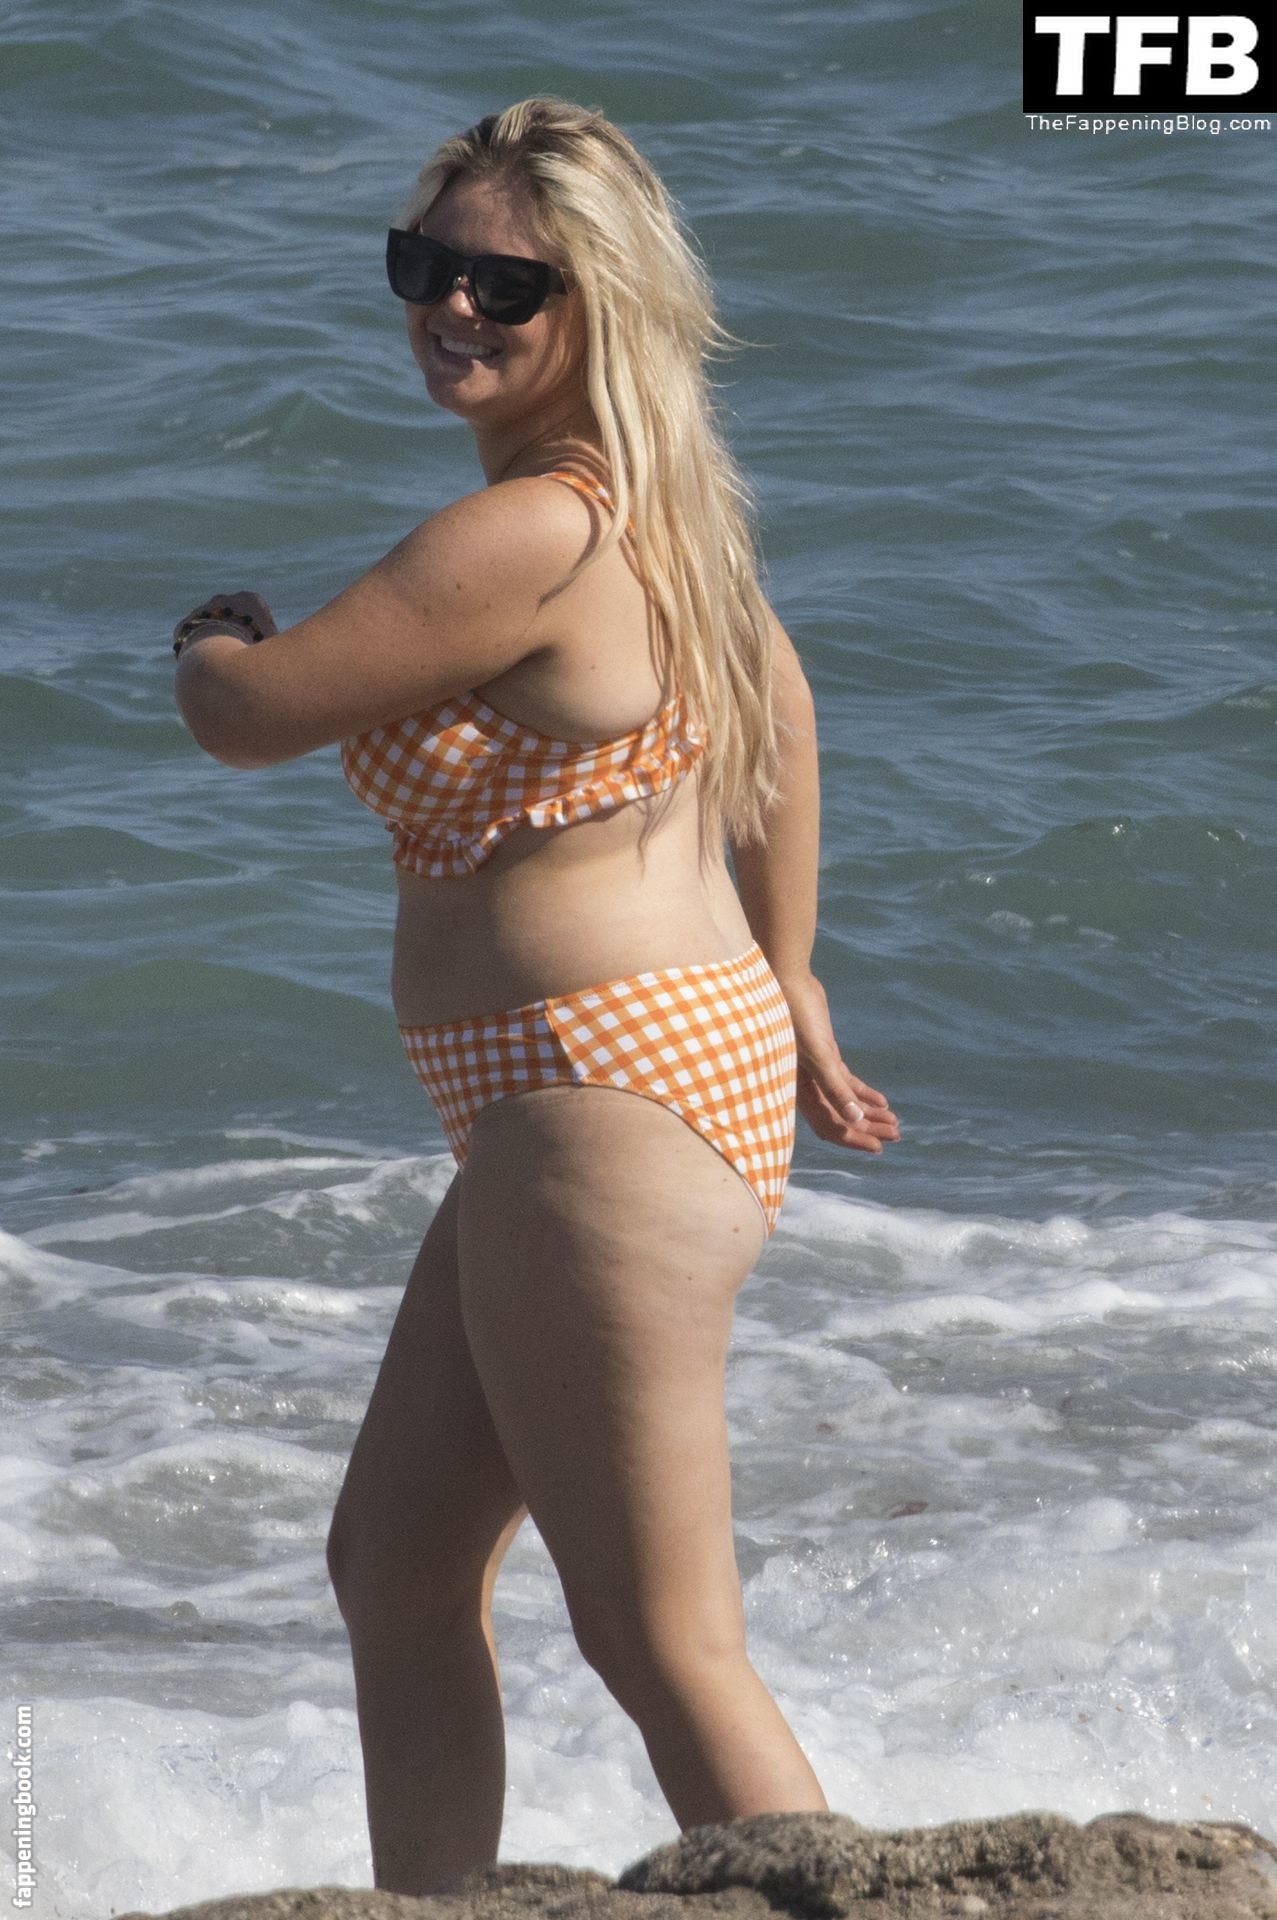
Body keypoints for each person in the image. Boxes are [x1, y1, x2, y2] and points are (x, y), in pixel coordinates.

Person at [172, 95, 900, 1896]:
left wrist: (209, 638)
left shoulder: (527, 536)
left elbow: (253, 720)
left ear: (603, 303)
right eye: (424, 265)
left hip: (601, 1102)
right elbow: (784, 717)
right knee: (398, 1567)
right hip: (611, 1081)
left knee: (663, 1638)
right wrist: (791, 973)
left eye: (508, 283)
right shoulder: (666, 509)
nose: (455, 308)